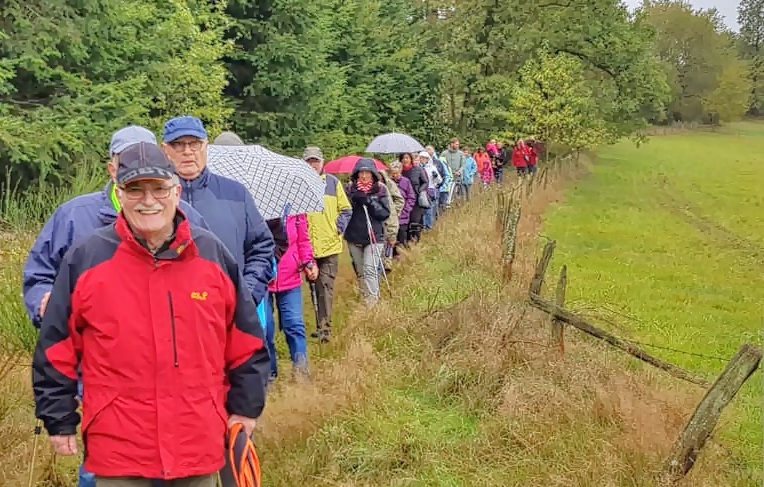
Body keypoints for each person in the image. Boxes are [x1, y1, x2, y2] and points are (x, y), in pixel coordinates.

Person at [32, 142, 270, 487]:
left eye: (159, 188)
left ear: (176, 191)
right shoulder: (88, 258)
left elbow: (246, 339)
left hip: (198, 440)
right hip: (120, 448)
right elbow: (56, 345)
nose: (148, 200)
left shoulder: (211, 254)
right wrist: (58, 417)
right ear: (118, 192)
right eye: (135, 189)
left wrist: (246, 407)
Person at [22, 126, 210, 487]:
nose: (147, 198)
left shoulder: (184, 216)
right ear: (113, 169)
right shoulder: (73, 217)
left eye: (156, 185)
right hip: (94, 367)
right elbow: (39, 274)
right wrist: (43, 302)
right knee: (105, 460)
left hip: (174, 378)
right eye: (129, 170)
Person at [162, 116, 275, 308]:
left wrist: (246, 296)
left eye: (194, 144)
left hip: (227, 312)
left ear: (206, 147)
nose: (187, 151)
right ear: (165, 150)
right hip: (170, 314)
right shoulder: (154, 200)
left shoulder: (236, 193)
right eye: (178, 144)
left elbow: (261, 247)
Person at [302, 146, 352, 343]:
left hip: (330, 245)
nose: (313, 165)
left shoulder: (333, 183)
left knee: (326, 285)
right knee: (314, 287)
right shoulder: (299, 184)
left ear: (322, 162)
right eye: (309, 161)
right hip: (308, 247)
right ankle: (319, 323)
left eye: (316, 161)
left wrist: (338, 228)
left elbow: (346, 209)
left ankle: (325, 328)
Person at [266, 213, 317, 382]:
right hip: (262, 278)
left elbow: (303, 239)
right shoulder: (253, 207)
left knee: (295, 325)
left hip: (291, 275)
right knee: (265, 330)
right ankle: (269, 376)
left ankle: (301, 372)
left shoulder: (295, 209)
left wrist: (309, 262)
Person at [344, 158, 391, 306]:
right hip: (354, 236)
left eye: (367, 173)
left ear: (373, 174)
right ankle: (366, 298)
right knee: (361, 271)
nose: (364, 176)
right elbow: (344, 211)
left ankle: (372, 304)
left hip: (374, 236)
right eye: (361, 173)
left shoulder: (381, 189)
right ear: (356, 174)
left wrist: (370, 202)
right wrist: (354, 200)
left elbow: (385, 213)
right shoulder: (349, 189)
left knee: (370, 269)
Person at [400, 153, 428, 243]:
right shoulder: (398, 171)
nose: (405, 160)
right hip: (403, 200)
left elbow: (425, 182)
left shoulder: (418, 169)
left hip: (416, 200)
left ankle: (415, 243)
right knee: (405, 224)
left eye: (407, 158)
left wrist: (420, 190)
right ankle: (405, 243)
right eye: (403, 158)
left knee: (414, 222)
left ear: (410, 159)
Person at [389, 161, 415, 254]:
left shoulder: (406, 181)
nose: (395, 175)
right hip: (391, 216)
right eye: (393, 173)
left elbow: (411, 197)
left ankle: (402, 257)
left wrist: (406, 210)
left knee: (402, 237)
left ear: (400, 172)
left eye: (397, 173)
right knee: (391, 238)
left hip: (403, 216)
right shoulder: (388, 182)